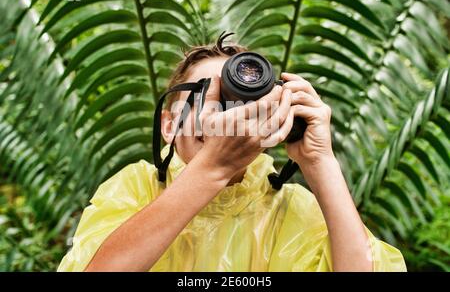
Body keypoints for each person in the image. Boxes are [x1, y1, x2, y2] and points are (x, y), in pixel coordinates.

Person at [58, 34, 406, 272]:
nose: (224, 117)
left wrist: (319, 161)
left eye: (237, 101)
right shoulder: (136, 186)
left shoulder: (290, 207)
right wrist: (212, 170)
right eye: (204, 95)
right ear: (168, 125)